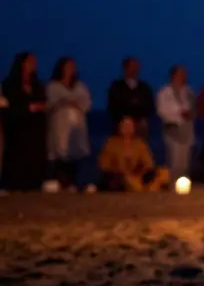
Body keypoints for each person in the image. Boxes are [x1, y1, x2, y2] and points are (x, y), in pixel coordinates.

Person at [1, 53, 47, 191]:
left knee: (34, 156)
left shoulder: (37, 84)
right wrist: (28, 108)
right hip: (18, 126)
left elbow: (43, 100)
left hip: (35, 126)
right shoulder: (10, 84)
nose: (33, 64)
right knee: (17, 156)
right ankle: (15, 184)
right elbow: (8, 106)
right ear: (22, 64)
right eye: (30, 61)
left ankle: (34, 184)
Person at [46, 57, 92, 190]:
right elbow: (51, 103)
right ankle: (60, 182)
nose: (71, 69)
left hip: (77, 123)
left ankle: (73, 182)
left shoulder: (80, 86)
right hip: (60, 123)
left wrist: (74, 103)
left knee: (75, 152)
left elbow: (86, 103)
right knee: (60, 151)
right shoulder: (53, 86)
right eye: (68, 66)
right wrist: (65, 102)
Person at [98, 116, 170, 192]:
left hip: (138, 175)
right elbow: (104, 165)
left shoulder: (140, 143)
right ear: (119, 127)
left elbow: (149, 163)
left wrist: (141, 170)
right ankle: (141, 190)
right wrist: (119, 172)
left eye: (130, 126)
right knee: (126, 180)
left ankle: (148, 190)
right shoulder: (111, 143)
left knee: (164, 172)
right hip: (120, 177)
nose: (127, 128)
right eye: (125, 125)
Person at [155, 65, 196, 179]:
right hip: (172, 129)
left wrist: (190, 114)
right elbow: (161, 111)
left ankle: (182, 185)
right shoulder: (163, 93)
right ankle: (171, 184)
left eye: (184, 75)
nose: (183, 77)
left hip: (187, 129)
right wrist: (179, 113)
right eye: (180, 74)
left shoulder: (189, 92)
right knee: (174, 160)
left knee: (185, 162)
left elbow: (195, 109)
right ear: (173, 76)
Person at [107, 57, 154, 137]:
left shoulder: (144, 87)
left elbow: (149, 105)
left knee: (140, 147)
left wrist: (141, 117)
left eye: (136, 67)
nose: (135, 70)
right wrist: (124, 119)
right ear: (125, 68)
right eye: (132, 67)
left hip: (140, 124)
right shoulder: (117, 86)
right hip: (122, 124)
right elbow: (113, 105)